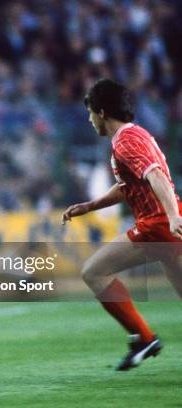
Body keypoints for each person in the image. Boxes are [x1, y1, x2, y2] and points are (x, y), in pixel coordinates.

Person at [62, 78, 182, 371]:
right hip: (164, 223)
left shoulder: (126, 142)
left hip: (158, 226)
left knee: (94, 272)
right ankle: (144, 338)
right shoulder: (135, 135)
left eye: (90, 113)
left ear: (102, 112)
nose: (90, 121)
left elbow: (156, 176)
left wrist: (172, 217)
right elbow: (129, 184)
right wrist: (90, 206)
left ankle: (143, 338)